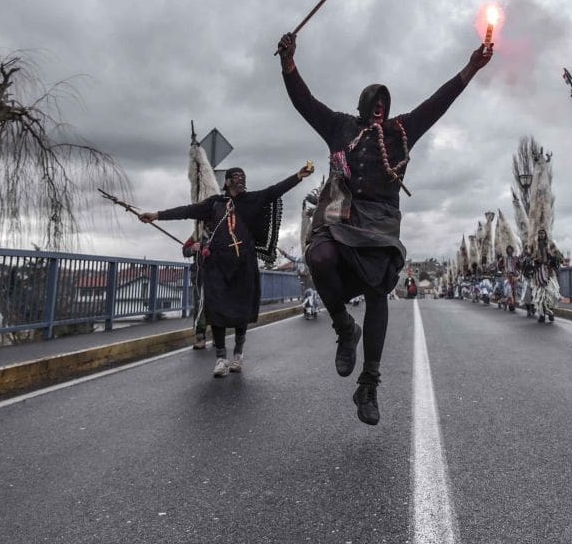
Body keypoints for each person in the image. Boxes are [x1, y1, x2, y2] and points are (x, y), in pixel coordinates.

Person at [277, 29, 491, 425]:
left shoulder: (401, 131)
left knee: (378, 291)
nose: (380, 107)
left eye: (385, 103)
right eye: (374, 102)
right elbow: (304, 102)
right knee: (318, 257)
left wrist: (471, 67)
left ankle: (369, 384)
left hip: (380, 223)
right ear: (362, 105)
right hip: (341, 214)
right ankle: (345, 328)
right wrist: (289, 64)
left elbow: (438, 103)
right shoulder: (339, 126)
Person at [139, 163, 314, 377]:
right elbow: (187, 211)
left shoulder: (252, 200)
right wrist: (156, 215)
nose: (240, 180)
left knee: (241, 311)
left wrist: (298, 176)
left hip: (244, 266)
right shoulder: (215, 204)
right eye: (236, 177)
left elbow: (274, 191)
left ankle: (238, 354)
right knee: (216, 310)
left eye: (243, 177)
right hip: (218, 266)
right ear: (228, 181)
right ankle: (221, 358)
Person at [525, 228, 562, 323]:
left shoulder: (550, 244)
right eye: (540, 233)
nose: (541, 235)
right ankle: (541, 315)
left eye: (543, 233)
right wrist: (531, 259)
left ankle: (550, 313)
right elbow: (529, 256)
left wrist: (554, 257)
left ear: (545, 235)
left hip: (549, 272)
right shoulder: (534, 245)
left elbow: (558, 255)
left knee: (551, 294)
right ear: (538, 235)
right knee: (539, 295)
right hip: (538, 273)